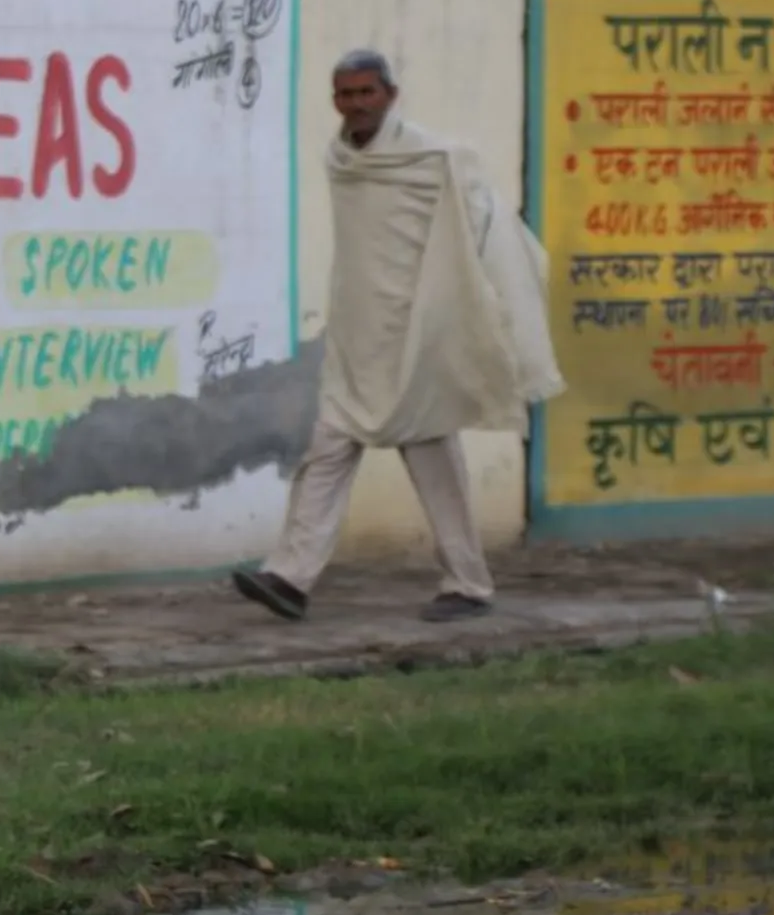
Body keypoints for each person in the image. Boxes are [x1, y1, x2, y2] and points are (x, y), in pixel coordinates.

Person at [234, 49, 561, 626]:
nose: (355, 104)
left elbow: (487, 232)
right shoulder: (342, 161)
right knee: (326, 448)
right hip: (360, 338)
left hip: (419, 338)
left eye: (365, 93)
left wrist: (494, 313)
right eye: (345, 94)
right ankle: (289, 577)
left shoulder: (439, 159)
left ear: (389, 95)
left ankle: (468, 583)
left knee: (433, 460)